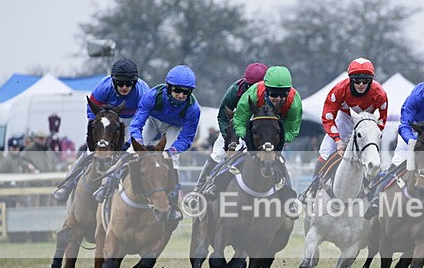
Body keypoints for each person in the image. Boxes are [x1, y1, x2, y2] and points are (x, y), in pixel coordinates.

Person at [95, 64, 201, 221]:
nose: (180, 95)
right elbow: (137, 124)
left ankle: (173, 204)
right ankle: (107, 184)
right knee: (132, 150)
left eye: (185, 92)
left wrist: (170, 151)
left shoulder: (193, 109)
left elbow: (186, 138)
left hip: (174, 127)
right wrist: (138, 141)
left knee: (172, 160)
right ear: (169, 87)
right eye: (177, 90)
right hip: (153, 121)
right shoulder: (152, 96)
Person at [365, 57, 424, 220]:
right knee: (395, 165)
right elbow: (404, 124)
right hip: (414, 135)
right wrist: (412, 141)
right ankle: (376, 200)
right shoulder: (417, 96)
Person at [53, 58, 150, 202]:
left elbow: (144, 120)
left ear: (135, 82)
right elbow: (92, 111)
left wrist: (128, 142)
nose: (124, 87)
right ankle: (68, 184)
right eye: (120, 83)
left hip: (134, 122)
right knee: (91, 151)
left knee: (130, 153)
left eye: (128, 83)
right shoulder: (103, 87)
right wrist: (96, 132)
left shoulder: (142, 92)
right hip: (109, 120)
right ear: (113, 81)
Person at [201, 65, 302, 201]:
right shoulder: (252, 92)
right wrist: (249, 139)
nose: (278, 98)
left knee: (279, 162)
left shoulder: (294, 102)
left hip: (273, 131)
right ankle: (212, 186)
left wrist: (278, 139)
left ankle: (288, 198)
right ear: (266, 89)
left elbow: (292, 131)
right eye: (273, 94)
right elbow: (238, 121)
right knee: (231, 155)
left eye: (283, 94)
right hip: (250, 125)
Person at [298, 58, 389, 200]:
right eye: (356, 80)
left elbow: (382, 119)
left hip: (367, 122)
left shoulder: (380, 93)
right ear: (350, 79)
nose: (360, 84)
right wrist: (338, 140)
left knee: (372, 155)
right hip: (345, 119)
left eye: (365, 80)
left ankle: (373, 195)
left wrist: (372, 138)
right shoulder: (339, 90)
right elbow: (328, 117)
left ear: (371, 80)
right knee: (327, 150)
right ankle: (312, 190)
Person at [193, 62, 268, 192]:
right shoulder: (235, 90)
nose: (251, 90)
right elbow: (222, 117)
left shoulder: (271, 94)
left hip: (258, 131)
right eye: (249, 85)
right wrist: (228, 138)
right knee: (217, 153)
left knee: (274, 155)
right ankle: (198, 191)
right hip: (235, 127)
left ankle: (285, 190)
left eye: (255, 86)